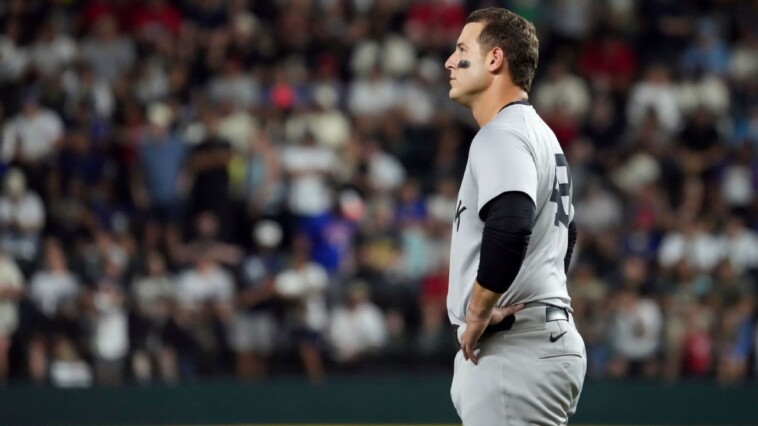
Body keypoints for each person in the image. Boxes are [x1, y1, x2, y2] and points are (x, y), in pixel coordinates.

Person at [444, 8, 586, 425]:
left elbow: (511, 222)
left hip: (516, 347)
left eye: (462, 49)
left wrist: (478, 312)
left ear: (494, 60)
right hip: (536, 339)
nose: (450, 62)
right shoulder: (537, 132)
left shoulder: (503, 132)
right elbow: (568, 233)